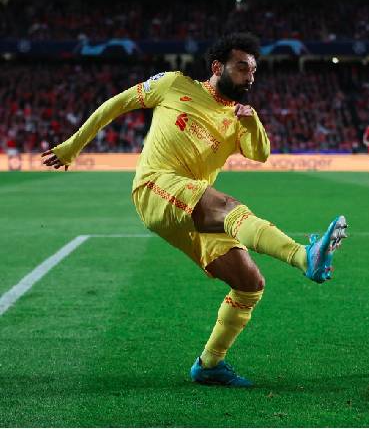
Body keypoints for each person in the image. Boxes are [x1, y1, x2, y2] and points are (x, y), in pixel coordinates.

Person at [41, 33, 348, 388]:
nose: (250, 77)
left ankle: (210, 364)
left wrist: (250, 121)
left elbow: (260, 153)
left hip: (193, 208)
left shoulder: (239, 116)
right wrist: (71, 146)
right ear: (218, 67)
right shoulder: (173, 84)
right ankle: (304, 256)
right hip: (156, 186)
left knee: (249, 284)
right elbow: (116, 104)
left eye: (254, 70)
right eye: (242, 67)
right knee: (231, 207)